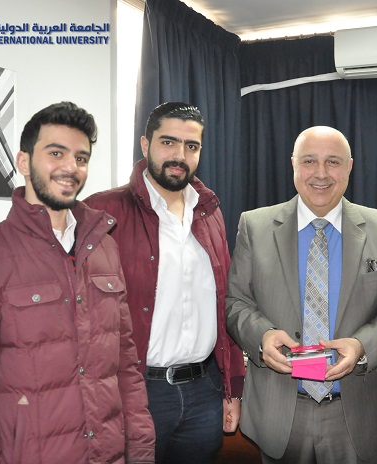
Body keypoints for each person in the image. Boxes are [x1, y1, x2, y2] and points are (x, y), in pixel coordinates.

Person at [0, 101, 155, 463]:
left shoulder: (105, 248)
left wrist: (142, 452)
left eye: (81, 158)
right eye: (56, 153)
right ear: (23, 162)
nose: (70, 167)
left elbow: (125, 367)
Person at [225, 126, 377, 464]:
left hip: (357, 414)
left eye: (333, 162)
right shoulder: (254, 226)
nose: (321, 173)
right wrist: (262, 337)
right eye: (309, 161)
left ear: (350, 166)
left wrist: (361, 346)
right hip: (280, 412)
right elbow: (236, 303)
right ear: (293, 164)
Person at [84, 102, 245, 464]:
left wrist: (232, 388)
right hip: (136, 392)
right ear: (145, 144)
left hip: (204, 392)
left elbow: (226, 305)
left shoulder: (210, 212)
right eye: (168, 142)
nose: (179, 155)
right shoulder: (102, 211)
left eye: (191, 146)